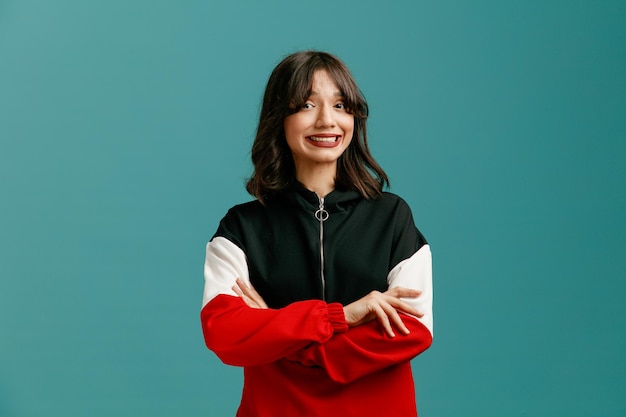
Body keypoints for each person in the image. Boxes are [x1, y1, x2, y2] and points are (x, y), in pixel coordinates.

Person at [201, 50, 433, 417]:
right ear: (280, 119)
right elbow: (223, 331)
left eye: (341, 105)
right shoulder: (241, 228)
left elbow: (413, 328)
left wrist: (279, 338)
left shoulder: (392, 217)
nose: (328, 121)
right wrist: (345, 316)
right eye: (307, 105)